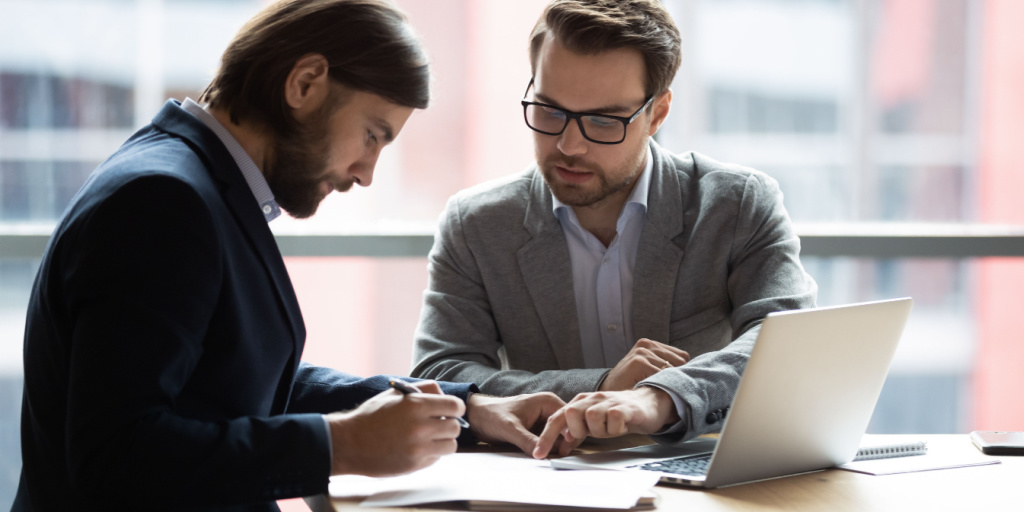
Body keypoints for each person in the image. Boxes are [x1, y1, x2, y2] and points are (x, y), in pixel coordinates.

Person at [13, 1, 569, 511]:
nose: (366, 173)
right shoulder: (164, 202)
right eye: (373, 135)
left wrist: (463, 409)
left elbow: (236, 379)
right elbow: (117, 457)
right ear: (305, 83)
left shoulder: (192, 180)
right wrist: (339, 446)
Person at [410, 0, 817, 457]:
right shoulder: (478, 225)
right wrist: (600, 385)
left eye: (603, 121)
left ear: (657, 114)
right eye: (549, 111)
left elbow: (787, 340)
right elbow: (439, 373)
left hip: (704, 475)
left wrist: (658, 398)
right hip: (547, 481)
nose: (569, 145)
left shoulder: (734, 205)